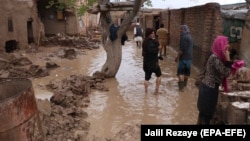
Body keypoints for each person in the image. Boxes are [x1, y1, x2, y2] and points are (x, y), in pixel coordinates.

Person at [197, 35, 234, 125]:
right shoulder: (215, 58)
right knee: (207, 116)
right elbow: (226, 72)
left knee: (203, 114)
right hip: (209, 90)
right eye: (226, 44)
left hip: (206, 87)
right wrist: (229, 60)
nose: (228, 46)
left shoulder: (214, 55)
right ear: (220, 45)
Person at [142, 28, 162, 94]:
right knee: (159, 75)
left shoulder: (144, 41)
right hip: (154, 63)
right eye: (152, 33)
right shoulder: (151, 42)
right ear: (149, 34)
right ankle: (156, 90)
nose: (153, 34)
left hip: (146, 63)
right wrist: (158, 48)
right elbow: (152, 51)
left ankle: (146, 92)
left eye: (154, 33)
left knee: (147, 78)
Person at [175, 25, 194, 91]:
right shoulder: (190, 37)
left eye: (181, 29)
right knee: (187, 73)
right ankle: (185, 85)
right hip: (189, 58)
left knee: (180, 73)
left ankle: (181, 88)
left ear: (184, 30)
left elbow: (182, 50)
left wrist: (177, 57)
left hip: (183, 58)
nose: (180, 31)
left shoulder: (183, 37)